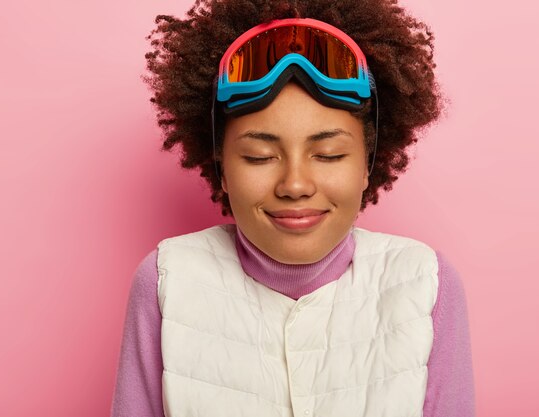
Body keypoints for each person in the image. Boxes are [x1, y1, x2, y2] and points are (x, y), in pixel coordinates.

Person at [110, 0, 475, 416]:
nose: (295, 185)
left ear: (367, 165)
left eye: (330, 154)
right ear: (221, 167)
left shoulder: (426, 284)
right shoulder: (165, 281)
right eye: (259, 157)